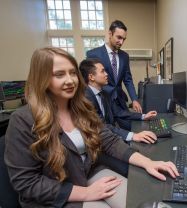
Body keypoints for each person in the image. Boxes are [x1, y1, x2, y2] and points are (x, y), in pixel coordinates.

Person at [4, 47, 178, 208]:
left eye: (72, 73)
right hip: (55, 194)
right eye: (59, 74)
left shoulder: (82, 107)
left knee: (138, 200)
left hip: (88, 175)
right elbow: (26, 182)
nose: (70, 80)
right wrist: (86, 193)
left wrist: (148, 162)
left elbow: (109, 141)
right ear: (42, 79)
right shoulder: (22, 120)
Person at [80, 58, 156, 144]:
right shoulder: (85, 98)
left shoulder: (104, 93)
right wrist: (133, 135)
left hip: (108, 135)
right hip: (97, 142)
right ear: (91, 77)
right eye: (102, 71)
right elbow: (100, 125)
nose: (106, 74)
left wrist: (143, 116)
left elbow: (118, 112)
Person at [86, 20, 142, 130]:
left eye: (124, 39)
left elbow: (128, 79)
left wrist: (134, 99)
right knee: (107, 130)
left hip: (120, 100)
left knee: (128, 128)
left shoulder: (124, 56)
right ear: (110, 34)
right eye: (119, 37)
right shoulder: (93, 54)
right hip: (104, 99)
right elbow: (89, 80)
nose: (121, 42)